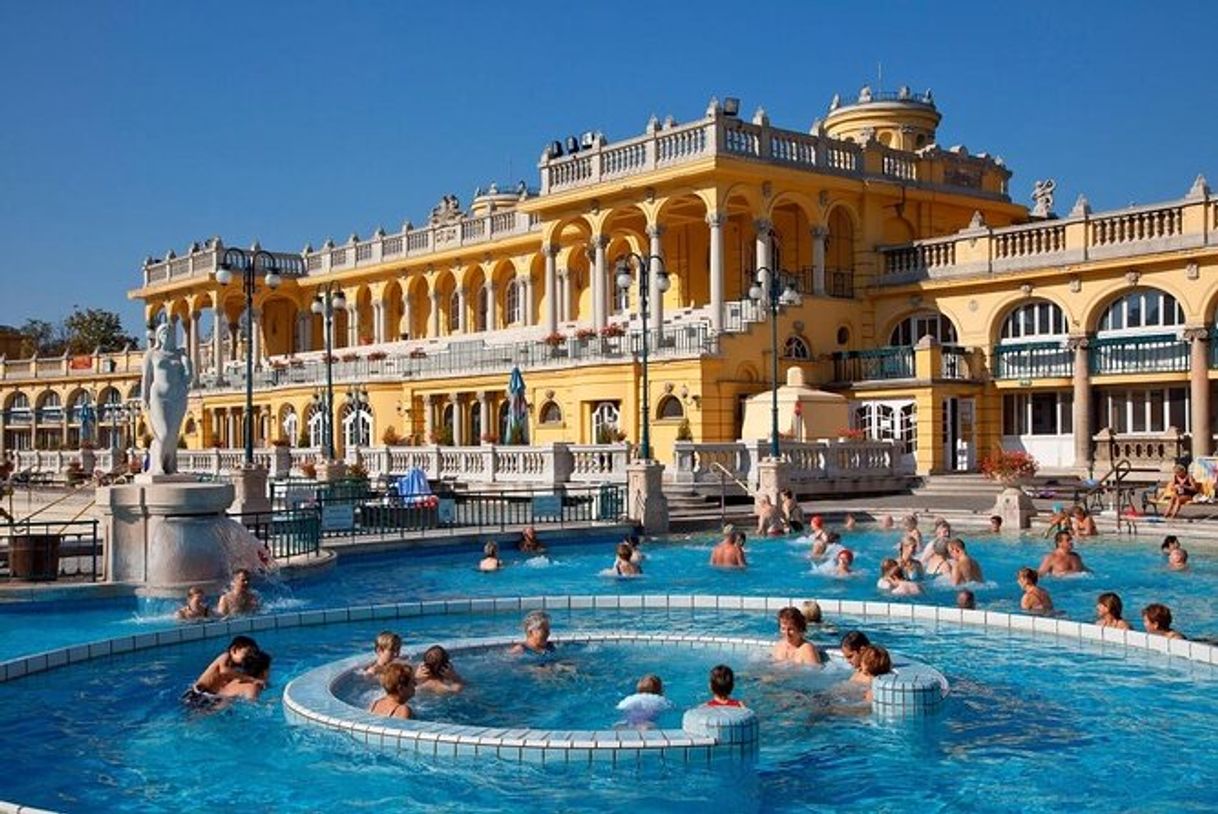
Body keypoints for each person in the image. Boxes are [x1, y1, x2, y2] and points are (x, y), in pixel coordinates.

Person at [184, 636, 262, 708]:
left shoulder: (235, 667)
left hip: (210, 695)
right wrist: (251, 679)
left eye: (250, 655)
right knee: (197, 715)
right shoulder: (225, 656)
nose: (248, 658)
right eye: (247, 653)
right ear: (234, 650)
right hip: (197, 692)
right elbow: (224, 671)